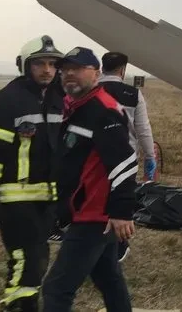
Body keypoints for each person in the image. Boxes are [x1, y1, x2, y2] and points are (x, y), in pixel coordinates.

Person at [41, 47, 136, 311]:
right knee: (108, 278)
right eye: (66, 69)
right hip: (88, 212)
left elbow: (124, 161)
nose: (69, 74)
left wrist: (121, 210)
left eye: (78, 69)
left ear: (96, 74)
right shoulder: (77, 106)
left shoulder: (102, 110)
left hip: (93, 215)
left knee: (56, 289)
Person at [0, 35, 65, 312]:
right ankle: (20, 305)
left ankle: (21, 302)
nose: (47, 69)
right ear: (25, 66)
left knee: (37, 257)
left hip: (47, 199)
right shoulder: (6, 102)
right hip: (14, 199)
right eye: (40, 64)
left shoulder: (61, 100)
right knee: (27, 259)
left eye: (52, 64)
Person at [98, 51, 157, 263]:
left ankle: (101, 241)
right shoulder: (133, 94)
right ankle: (118, 246)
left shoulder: (91, 90)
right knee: (120, 200)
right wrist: (150, 156)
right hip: (125, 158)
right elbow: (143, 129)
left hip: (95, 158)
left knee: (98, 200)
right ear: (122, 70)